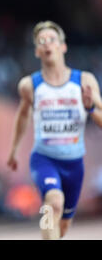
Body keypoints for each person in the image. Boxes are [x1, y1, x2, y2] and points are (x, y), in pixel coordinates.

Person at [6, 21, 102, 239]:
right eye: (42, 41)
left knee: (64, 224)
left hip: (74, 163)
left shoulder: (84, 81)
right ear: (37, 50)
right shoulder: (29, 85)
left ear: (63, 46)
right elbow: (22, 117)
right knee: (53, 202)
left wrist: (91, 107)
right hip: (44, 159)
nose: (47, 44)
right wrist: (13, 151)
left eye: (52, 40)